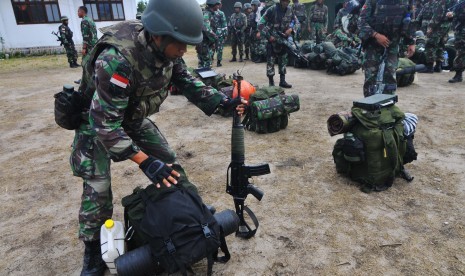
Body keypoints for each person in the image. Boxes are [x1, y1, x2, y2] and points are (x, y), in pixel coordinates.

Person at [69, 0, 244, 274]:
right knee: (98, 187)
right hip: (97, 121)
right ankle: (93, 249)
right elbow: (105, 125)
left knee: (169, 164)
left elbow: (186, 80)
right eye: (180, 43)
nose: (184, 50)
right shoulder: (117, 58)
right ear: (158, 34)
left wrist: (222, 101)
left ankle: (191, 214)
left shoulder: (168, 51)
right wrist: (144, 161)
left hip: (132, 116)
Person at [358, 0, 416, 97]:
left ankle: (388, 103)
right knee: (371, 76)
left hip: (392, 43)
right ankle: (369, 104)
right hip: (373, 43)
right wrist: (376, 35)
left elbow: (410, 21)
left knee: (390, 74)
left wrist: (412, 42)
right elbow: (361, 21)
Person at [258, 0, 296, 88]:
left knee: (283, 60)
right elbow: (260, 24)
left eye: (288, 1)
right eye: (284, 1)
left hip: (283, 40)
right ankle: (271, 83)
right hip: (272, 40)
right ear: (281, 1)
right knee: (270, 61)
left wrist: (290, 28)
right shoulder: (272, 10)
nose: (286, 3)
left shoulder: (290, 10)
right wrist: (268, 36)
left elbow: (294, 21)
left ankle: (282, 81)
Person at [421, 0, 456, 73]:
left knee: (430, 45)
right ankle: (438, 66)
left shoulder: (442, 2)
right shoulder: (452, 2)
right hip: (446, 27)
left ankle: (429, 67)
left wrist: (430, 27)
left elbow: (437, 16)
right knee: (441, 46)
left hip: (437, 27)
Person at [197, 0, 220, 68]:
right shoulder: (207, 14)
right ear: (213, 5)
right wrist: (215, 37)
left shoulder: (211, 13)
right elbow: (206, 28)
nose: (218, 6)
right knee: (206, 62)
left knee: (202, 62)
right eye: (217, 4)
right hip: (204, 43)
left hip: (206, 42)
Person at [447, 2, 464, 83]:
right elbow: (453, 19)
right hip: (459, 32)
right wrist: (450, 16)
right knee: (460, 52)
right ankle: (458, 74)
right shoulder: (459, 4)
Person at [213, 1, 228, 67]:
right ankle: (218, 62)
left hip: (211, 33)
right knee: (219, 48)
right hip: (219, 34)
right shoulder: (221, 13)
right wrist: (225, 35)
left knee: (211, 47)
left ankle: (210, 60)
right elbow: (224, 25)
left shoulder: (209, 12)